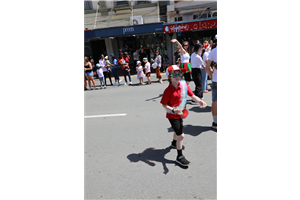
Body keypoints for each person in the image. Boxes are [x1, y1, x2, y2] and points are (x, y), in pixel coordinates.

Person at [160, 65, 207, 166]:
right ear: (169, 76)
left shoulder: (184, 85)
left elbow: (192, 95)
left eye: (180, 73)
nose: (178, 76)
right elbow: (164, 104)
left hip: (181, 113)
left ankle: (174, 143)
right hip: (172, 115)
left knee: (178, 131)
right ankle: (179, 156)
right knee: (181, 135)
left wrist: (200, 101)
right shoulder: (168, 91)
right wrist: (173, 109)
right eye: (174, 74)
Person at [202, 37, 217, 130]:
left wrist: (211, 75)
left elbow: (207, 67)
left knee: (215, 102)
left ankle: (215, 122)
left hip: (215, 80)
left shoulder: (213, 51)